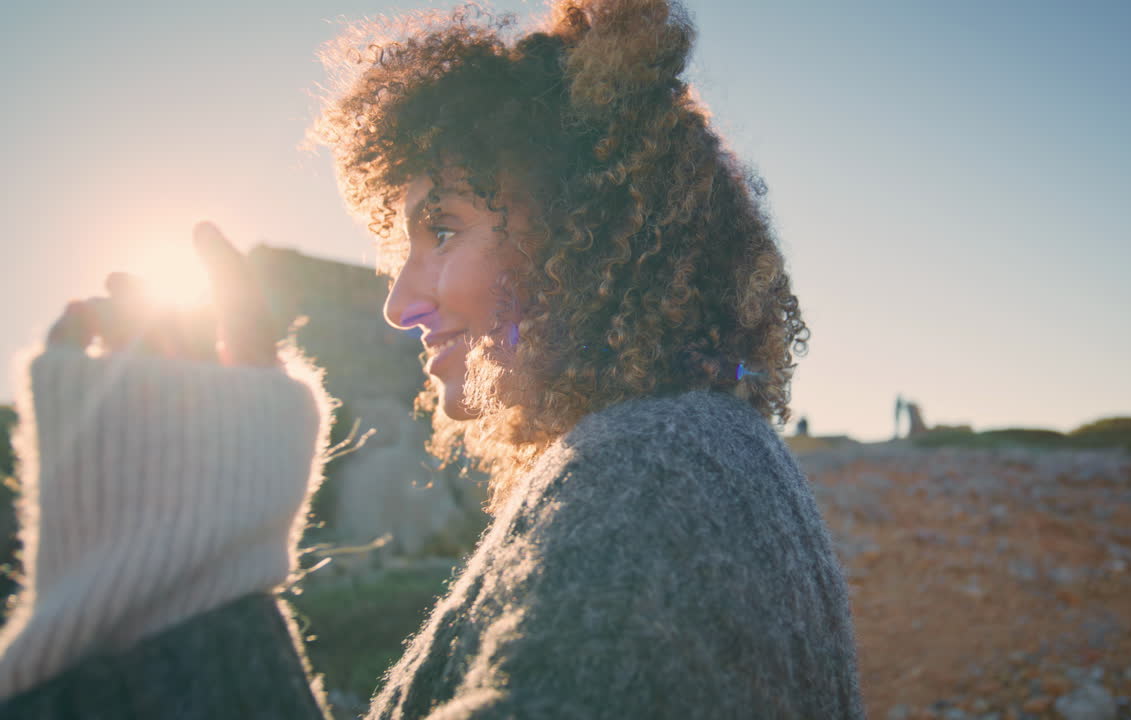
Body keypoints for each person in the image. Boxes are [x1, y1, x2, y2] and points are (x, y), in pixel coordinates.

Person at [0, 0, 865, 717]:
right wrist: (191, 580)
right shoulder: (681, 457)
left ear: (590, 236)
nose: (399, 303)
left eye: (442, 229)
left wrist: (178, 575)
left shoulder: (655, 471)